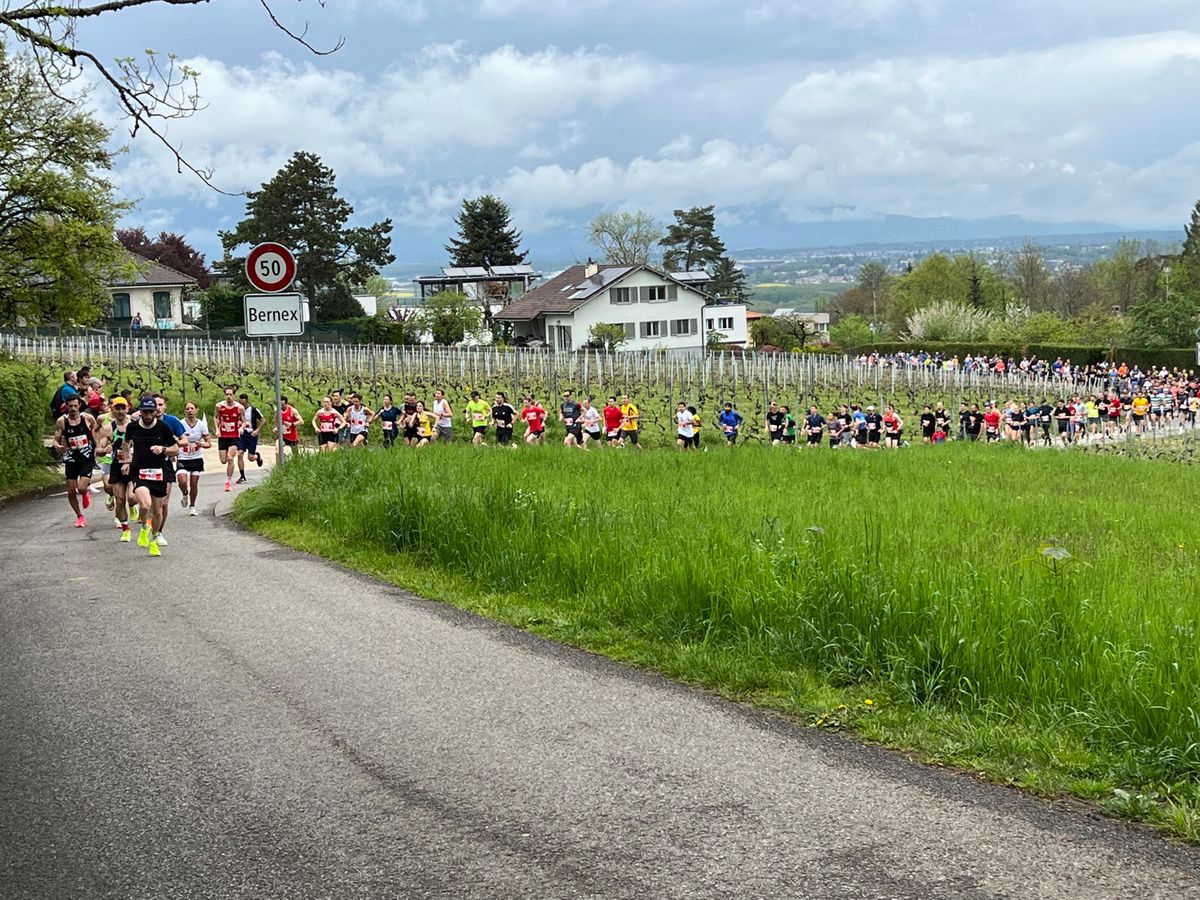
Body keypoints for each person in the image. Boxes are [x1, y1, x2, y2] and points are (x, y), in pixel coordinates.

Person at [121, 396, 180, 556]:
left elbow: (176, 448)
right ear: (140, 411)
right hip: (139, 472)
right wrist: (126, 461)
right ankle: (144, 528)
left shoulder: (164, 428)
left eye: (150, 412)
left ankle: (154, 538)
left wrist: (163, 449)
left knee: (158, 510)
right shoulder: (132, 427)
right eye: (144, 412)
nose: (147, 415)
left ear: (155, 412)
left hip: (159, 473)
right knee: (145, 505)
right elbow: (126, 443)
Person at [53, 395, 98, 528]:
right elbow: (56, 438)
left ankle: (85, 493)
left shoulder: (88, 418)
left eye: (75, 406)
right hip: (71, 457)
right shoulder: (62, 421)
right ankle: (79, 516)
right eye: (70, 406)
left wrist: (98, 449)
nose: (73, 408)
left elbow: (95, 433)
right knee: (71, 490)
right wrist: (57, 445)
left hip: (86, 456)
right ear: (66, 406)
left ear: (79, 405)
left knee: (81, 488)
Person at [104, 397, 134, 541]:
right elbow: (99, 447)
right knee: (120, 499)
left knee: (132, 498)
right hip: (117, 465)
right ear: (113, 409)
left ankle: (134, 506)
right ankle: (125, 529)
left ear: (127, 408)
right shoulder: (109, 428)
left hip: (134, 466)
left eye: (123, 408)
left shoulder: (134, 425)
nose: (121, 411)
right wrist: (104, 449)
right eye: (118, 408)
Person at [176, 402, 211, 516]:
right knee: (182, 480)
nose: (190, 411)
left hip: (196, 457)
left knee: (194, 483)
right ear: (185, 411)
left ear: (197, 410)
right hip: (182, 457)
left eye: (192, 408)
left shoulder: (201, 425)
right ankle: (185, 493)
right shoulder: (180, 424)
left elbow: (208, 443)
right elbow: (174, 439)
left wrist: (200, 444)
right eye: (187, 409)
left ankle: (192, 506)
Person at [215, 387, 243, 491]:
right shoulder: (219, 406)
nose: (229, 396)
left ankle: (228, 482)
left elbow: (244, 420)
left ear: (234, 395)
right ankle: (228, 477)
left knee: (230, 458)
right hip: (223, 436)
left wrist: (241, 427)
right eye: (227, 394)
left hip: (234, 436)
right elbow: (216, 417)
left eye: (230, 394)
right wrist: (217, 429)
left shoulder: (239, 407)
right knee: (223, 460)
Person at [236, 392, 265, 479]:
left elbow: (263, 420)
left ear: (247, 401)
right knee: (240, 454)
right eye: (240, 403)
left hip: (252, 434)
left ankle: (257, 457)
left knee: (251, 458)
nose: (242, 405)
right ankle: (242, 476)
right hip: (242, 434)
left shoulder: (254, 410)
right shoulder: (237, 410)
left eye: (243, 403)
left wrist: (257, 430)